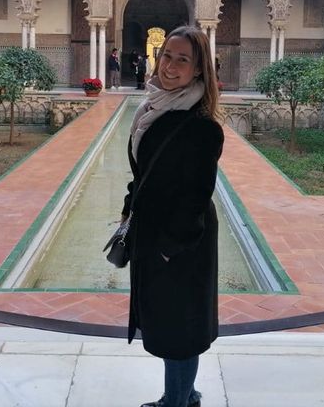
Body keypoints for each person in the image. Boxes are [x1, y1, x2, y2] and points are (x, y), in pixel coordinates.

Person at [121, 26, 224, 407]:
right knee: (174, 322)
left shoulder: (201, 127)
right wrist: (129, 212)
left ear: (198, 70)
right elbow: (145, 174)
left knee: (179, 329)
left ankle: (177, 402)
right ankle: (184, 394)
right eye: (167, 55)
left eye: (183, 60)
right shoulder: (155, 107)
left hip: (180, 244)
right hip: (156, 234)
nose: (171, 66)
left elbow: (196, 197)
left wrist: (168, 249)